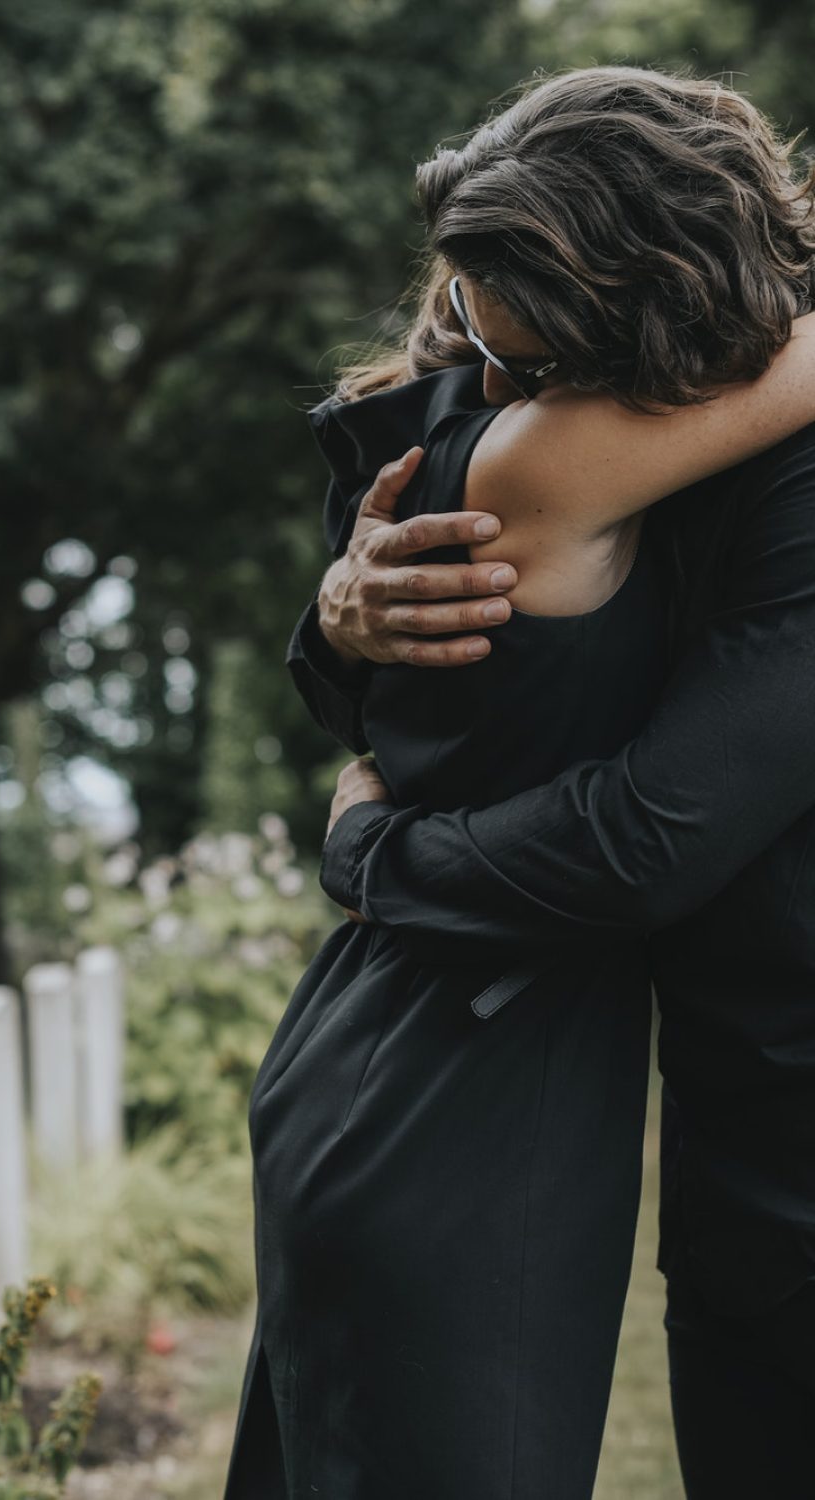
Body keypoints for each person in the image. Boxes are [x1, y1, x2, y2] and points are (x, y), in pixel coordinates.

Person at [224, 67, 815, 1500]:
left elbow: (639, 840)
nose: (495, 393)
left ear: (650, 296)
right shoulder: (582, 422)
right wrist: (342, 611)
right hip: (707, 1135)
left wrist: (371, 855)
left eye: (535, 368)